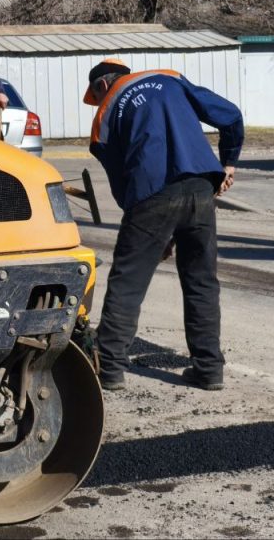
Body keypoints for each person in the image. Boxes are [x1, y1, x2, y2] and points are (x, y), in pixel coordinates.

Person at [84, 58, 244, 392]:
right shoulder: (170, 79)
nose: (97, 103)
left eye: (95, 97)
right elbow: (230, 116)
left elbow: (123, 186)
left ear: (101, 86)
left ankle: (110, 369)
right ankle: (209, 369)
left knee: (128, 281)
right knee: (202, 282)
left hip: (152, 194)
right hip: (202, 187)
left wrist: (153, 233)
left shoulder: (104, 118)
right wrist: (229, 162)